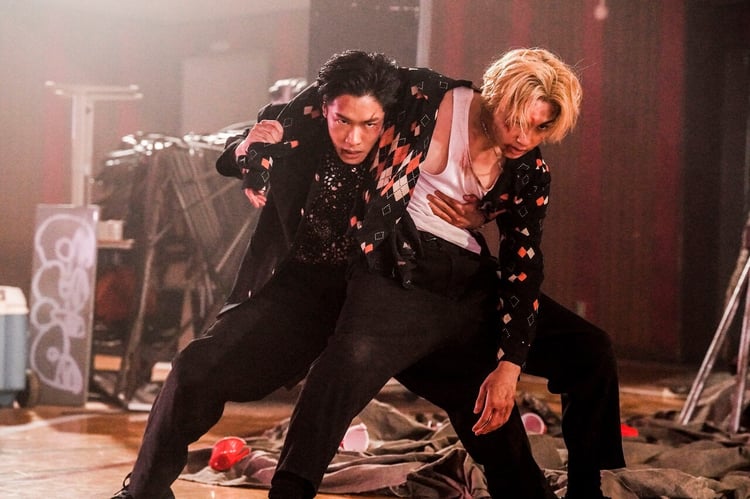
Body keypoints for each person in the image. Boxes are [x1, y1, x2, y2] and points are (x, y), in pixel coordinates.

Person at [111, 50, 553, 499]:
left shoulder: (407, 141)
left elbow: (495, 184)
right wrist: (250, 154)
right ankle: (143, 492)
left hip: (386, 295)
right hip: (305, 291)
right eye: (342, 121)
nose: (354, 138)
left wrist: (483, 213)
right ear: (323, 110)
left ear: (388, 118)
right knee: (195, 367)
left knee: (476, 396)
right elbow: (250, 144)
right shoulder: (307, 131)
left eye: (369, 124)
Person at [268, 48, 623, 499]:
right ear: (493, 96)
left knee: (590, 349)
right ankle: (289, 490)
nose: (524, 138)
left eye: (540, 128)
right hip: (401, 269)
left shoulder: (529, 171)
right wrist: (256, 142)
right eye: (516, 121)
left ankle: (587, 491)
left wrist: (510, 365)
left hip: (470, 283)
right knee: (346, 363)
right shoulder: (426, 95)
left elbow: (523, 264)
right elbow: (330, 94)